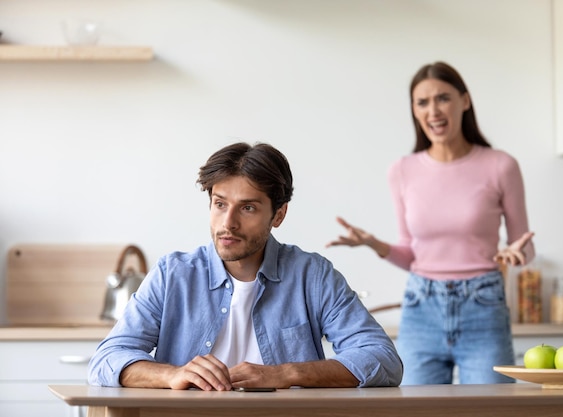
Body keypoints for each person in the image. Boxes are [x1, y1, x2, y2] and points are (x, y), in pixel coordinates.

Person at [88, 142, 403, 391]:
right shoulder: (173, 274)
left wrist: (286, 374)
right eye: (220, 204)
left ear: (278, 215)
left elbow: (382, 359)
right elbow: (106, 361)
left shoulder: (312, 275)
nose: (229, 224)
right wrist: (172, 375)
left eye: (248, 208)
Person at [327, 61, 535, 385]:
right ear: (414, 110)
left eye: (443, 98)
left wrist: (517, 253)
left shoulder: (501, 166)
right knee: (414, 408)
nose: (433, 110)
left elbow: (525, 243)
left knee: (490, 411)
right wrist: (374, 244)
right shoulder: (402, 170)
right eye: (422, 102)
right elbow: (412, 254)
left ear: (464, 101)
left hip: (484, 306)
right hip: (421, 309)